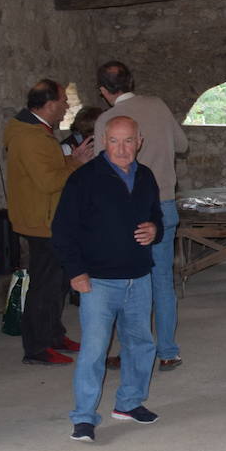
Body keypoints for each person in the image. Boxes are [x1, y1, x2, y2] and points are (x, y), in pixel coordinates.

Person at [54, 116, 163, 443]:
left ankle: (129, 403)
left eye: (128, 140)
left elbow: (156, 214)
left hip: (139, 278)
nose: (121, 148)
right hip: (99, 281)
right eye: (114, 141)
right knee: (94, 350)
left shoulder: (146, 177)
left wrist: (155, 230)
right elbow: (62, 231)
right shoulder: (84, 179)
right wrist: (76, 272)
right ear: (104, 141)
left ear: (139, 141)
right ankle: (84, 417)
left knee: (141, 344)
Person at [94, 61, 191, 371]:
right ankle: (167, 351)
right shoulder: (158, 105)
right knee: (162, 281)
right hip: (162, 203)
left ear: (103, 91)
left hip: (126, 209)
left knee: (127, 281)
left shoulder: (107, 120)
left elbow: (101, 167)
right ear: (131, 81)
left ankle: (132, 351)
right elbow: (182, 144)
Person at [4, 78, 94, 366]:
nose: (66, 107)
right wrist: (76, 165)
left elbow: (51, 170)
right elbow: (48, 182)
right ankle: (37, 348)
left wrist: (72, 161)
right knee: (44, 286)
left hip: (48, 217)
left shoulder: (37, 131)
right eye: (63, 102)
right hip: (40, 221)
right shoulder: (29, 136)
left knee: (57, 284)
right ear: (50, 104)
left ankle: (54, 335)